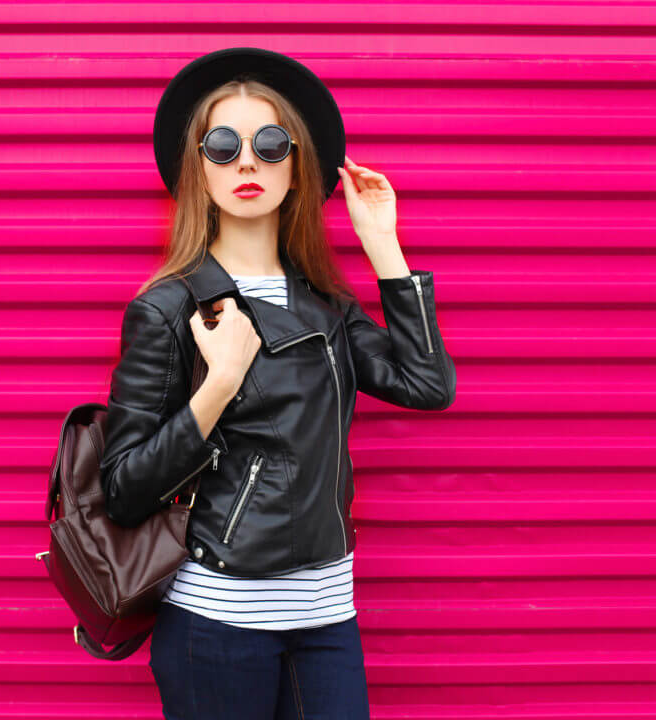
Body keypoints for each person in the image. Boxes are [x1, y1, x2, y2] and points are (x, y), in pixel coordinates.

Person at [98, 47, 457, 720]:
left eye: (270, 144)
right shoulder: (169, 307)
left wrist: (383, 247)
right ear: (197, 170)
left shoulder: (326, 303)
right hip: (217, 624)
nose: (246, 164)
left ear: (297, 167)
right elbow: (122, 488)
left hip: (327, 620)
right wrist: (219, 384)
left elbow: (426, 384)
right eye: (223, 145)